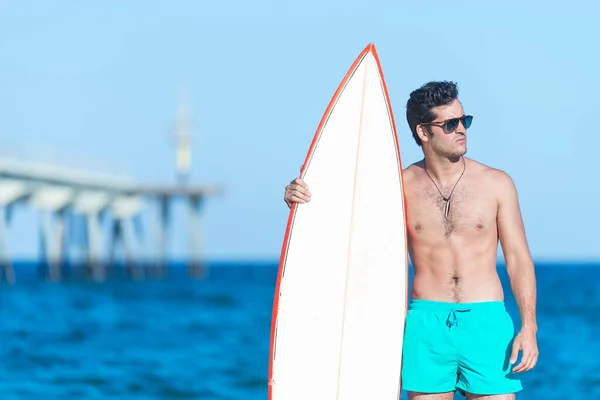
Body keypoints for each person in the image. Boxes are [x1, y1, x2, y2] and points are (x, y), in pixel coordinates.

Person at [283, 81, 538, 400]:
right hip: (425, 324)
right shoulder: (397, 187)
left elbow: (518, 259)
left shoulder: (497, 184)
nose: (461, 129)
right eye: (450, 124)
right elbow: (344, 219)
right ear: (423, 132)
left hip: (486, 321)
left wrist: (529, 326)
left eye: (464, 120)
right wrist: (296, 195)